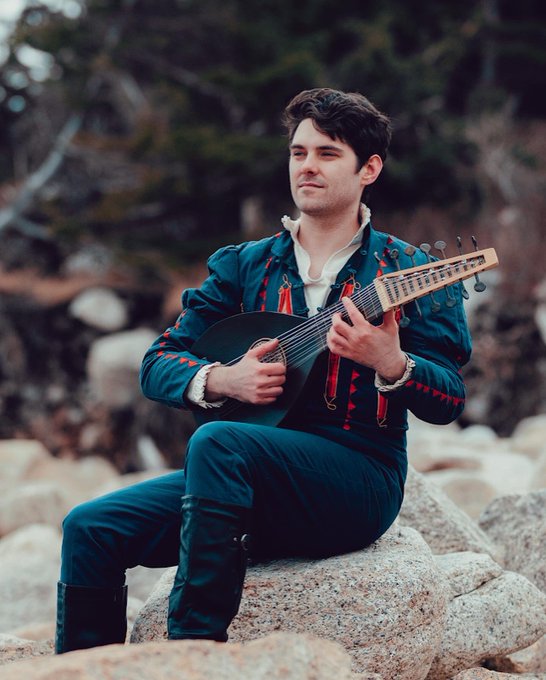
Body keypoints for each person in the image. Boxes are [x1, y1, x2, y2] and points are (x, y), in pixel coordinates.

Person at [55, 88, 472, 652]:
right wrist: (222, 379)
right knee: (89, 528)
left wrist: (391, 363)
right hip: (239, 476)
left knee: (218, 442)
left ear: (369, 169)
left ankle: (192, 651)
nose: (307, 166)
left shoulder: (410, 272)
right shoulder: (244, 265)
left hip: (357, 478)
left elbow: (449, 399)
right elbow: (157, 363)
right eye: (299, 152)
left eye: (327, 153)